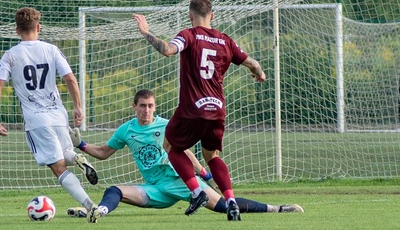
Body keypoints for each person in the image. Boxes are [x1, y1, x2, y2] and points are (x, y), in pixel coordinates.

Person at [69, 90, 302, 222]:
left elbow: (185, 152)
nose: (146, 110)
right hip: (156, 189)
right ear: (134, 106)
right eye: (142, 106)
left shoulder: (167, 125)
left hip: (181, 181)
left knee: (223, 206)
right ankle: (98, 210)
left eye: (150, 105)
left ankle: (277, 209)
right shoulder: (126, 130)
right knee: (115, 191)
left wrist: (204, 174)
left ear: (155, 106)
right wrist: (80, 143)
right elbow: (103, 153)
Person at [133, 0, 266, 221]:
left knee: (171, 147)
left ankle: (196, 192)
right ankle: (231, 200)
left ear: (190, 16)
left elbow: (167, 50)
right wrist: (259, 74)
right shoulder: (226, 41)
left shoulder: (189, 35)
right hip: (217, 110)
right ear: (212, 16)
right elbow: (253, 63)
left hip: (192, 110)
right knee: (211, 155)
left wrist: (146, 32)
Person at [0, 7, 99, 214]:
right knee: (63, 155)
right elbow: (70, 79)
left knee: (57, 167)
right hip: (58, 114)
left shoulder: (11, 55)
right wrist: (78, 107)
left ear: (16, 30)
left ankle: (89, 206)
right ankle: (76, 158)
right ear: (38, 27)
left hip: (36, 119)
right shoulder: (51, 49)